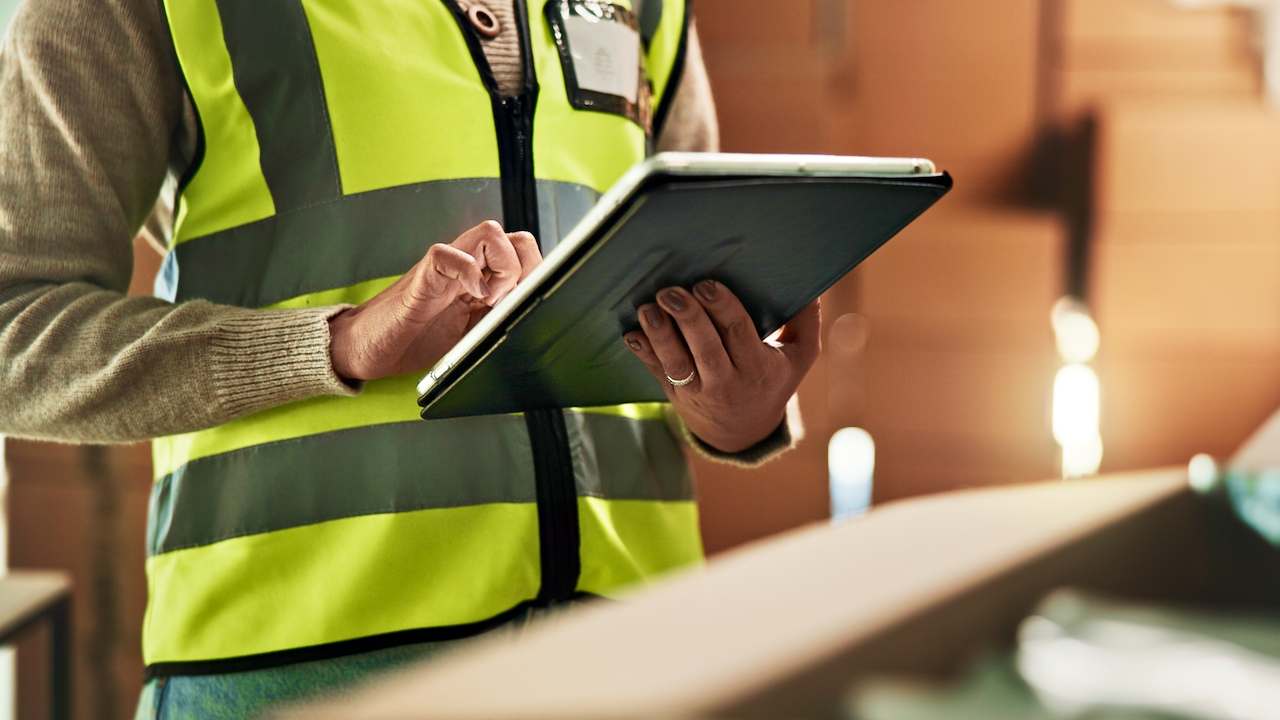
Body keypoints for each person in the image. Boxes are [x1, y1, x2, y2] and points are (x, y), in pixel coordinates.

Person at [0, 0, 820, 715]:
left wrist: (734, 416)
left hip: (630, 653)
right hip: (298, 670)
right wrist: (336, 342)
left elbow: (683, 266)